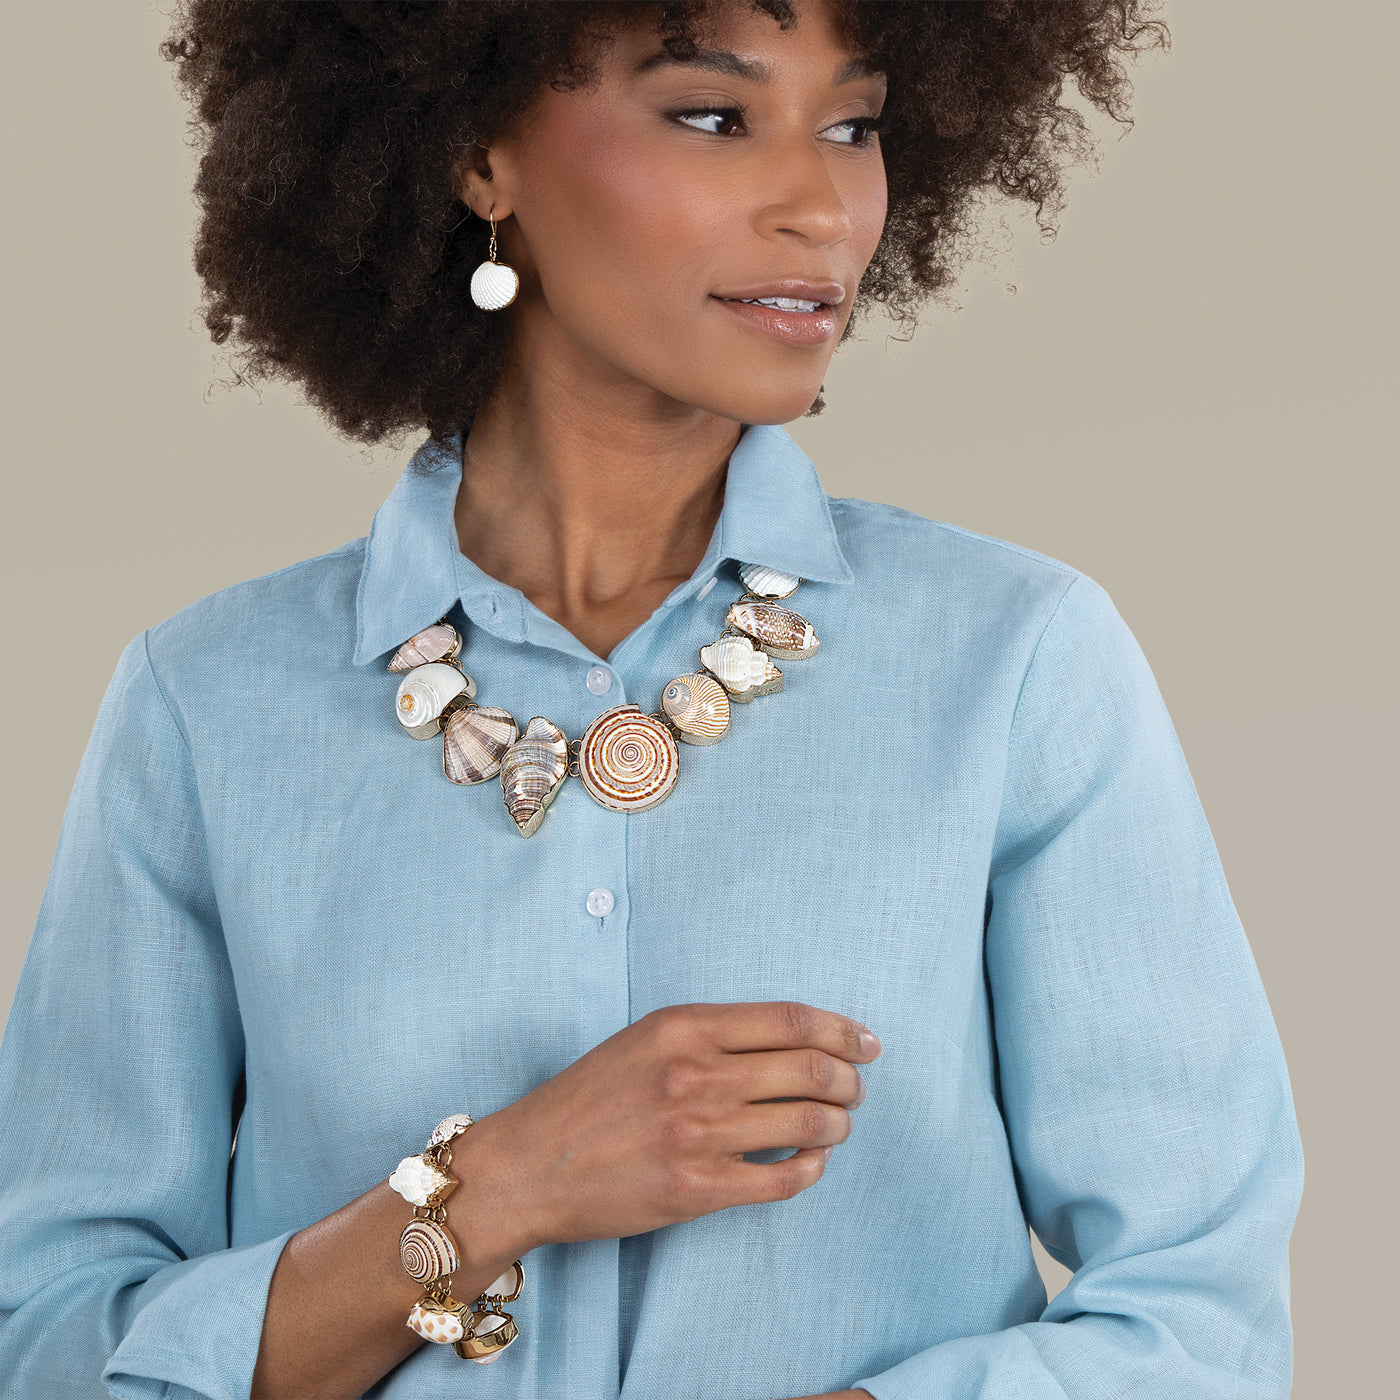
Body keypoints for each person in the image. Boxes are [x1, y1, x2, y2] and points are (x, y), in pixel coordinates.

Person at [0, 2, 1304, 1398]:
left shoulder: (1015, 663)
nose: (822, 208)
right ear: (481, 153)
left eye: (853, 125)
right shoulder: (206, 707)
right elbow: (52, 1342)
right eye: (713, 116)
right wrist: (501, 1185)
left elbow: (1199, 1324)